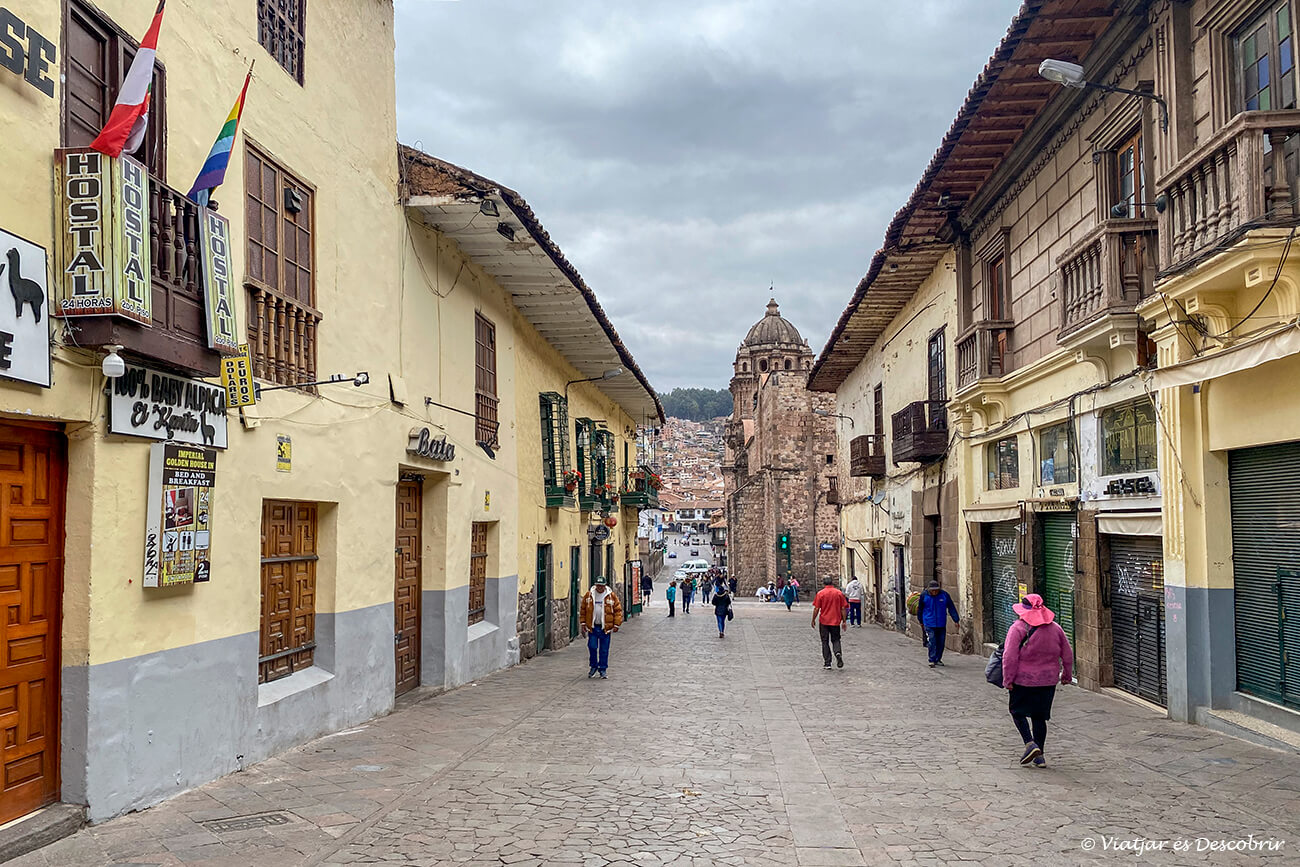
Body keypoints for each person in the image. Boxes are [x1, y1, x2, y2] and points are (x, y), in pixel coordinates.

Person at [1002, 594, 1073, 768]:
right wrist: (1066, 675)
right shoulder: (1056, 628)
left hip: (1023, 680)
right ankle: (1039, 756)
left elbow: (1009, 657)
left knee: (1016, 711)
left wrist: (1008, 679)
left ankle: (1029, 743)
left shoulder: (1018, 628)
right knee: (1039, 717)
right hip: (1048, 681)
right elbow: (1067, 653)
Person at [579, 575, 624, 679]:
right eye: (598, 586)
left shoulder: (611, 596)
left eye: (602, 586)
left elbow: (618, 610)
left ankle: (603, 669)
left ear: (605, 586)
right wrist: (583, 623)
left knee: (604, 650)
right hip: (593, 627)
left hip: (606, 628)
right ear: (595, 585)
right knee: (592, 647)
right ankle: (593, 666)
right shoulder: (589, 595)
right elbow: (583, 609)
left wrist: (617, 624)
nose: (600, 588)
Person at [916, 580, 960, 668]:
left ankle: (938, 659)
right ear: (929, 590)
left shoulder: (944, 595)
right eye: (933, 590)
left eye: (936, 590)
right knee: (932, 640)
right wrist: (921, 621)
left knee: (941, 642)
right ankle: (932, 659)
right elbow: (920, 609)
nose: (934, 592)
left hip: (941, 623)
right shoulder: (924, 596)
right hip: (928, 622)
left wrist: (956, 620)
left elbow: (951, 607)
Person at [811, 576, 849, 670]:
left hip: (824, 621)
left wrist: (813, 619)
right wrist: (844, 621)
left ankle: (827, 663)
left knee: (825, 641)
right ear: (832, 583)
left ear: (824, 584)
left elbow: (816, 608)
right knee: (836, 639)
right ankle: (837, 652)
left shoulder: (820, 594)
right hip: (836, 621)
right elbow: (843, 608)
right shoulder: (839, 593)